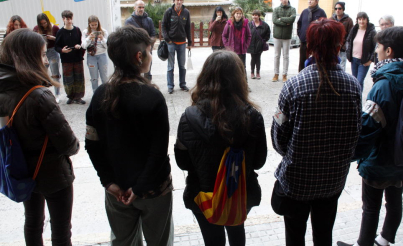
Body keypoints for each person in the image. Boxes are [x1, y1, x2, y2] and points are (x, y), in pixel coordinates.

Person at [271, 19, 362, 246]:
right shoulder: (353, 87)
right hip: (333, 180)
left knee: (294, 236)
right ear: (338, 46)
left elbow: (278, 136)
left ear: (309, 46)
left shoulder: (294, 85)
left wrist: (293, 153)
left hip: (297, 180)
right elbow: (355, 134)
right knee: (324, 235)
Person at [85, 26, 173, 246]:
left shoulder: (100, 96)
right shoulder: (153, 97)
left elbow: (92, 144)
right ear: (139, 56)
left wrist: (108, 182)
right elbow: (158, 151)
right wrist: (140, 187)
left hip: (117, 190)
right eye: (149, 51)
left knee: (123, 241)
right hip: (154, 191)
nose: (151, 56)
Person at [175, 50, 267, 246]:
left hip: (202, 195)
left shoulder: (188, 117)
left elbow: (182, 162)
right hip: (240, 193)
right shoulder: (253, 117)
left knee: (212, 240)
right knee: (236, 229)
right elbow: (259, 162)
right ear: (239, 79)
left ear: (205, 77)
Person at [0, 29, 79, 245]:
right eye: (43, 55)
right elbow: (69, 145)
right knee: (61, 230)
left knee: (33, 222)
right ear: (29, 57)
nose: (46, 61)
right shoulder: (39, 95)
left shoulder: (4, 90)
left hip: (22, 172)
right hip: (53, 174)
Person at [337, 27, 403, 246]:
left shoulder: (383, 84)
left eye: (378, 47)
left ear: (388, 51)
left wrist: (351, 155)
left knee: (371, 206)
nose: (376, 51)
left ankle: (364, 243)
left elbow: (369, 128)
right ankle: (385, 240)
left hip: (378, 159)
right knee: (395, 200)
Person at [162, 0, 192, 94]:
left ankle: (182, 84)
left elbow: (188, 27)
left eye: (180, 0)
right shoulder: (169, 12)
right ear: (174, 1)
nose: (179, 2)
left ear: (182, 1)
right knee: (170, 66)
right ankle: (170, 86)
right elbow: (163, 26)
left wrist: (190, 42)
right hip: (171, 43)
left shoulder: (186, 12)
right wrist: (167, 39)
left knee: (182, 65)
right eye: (177, 0)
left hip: (182, 43)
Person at [55, 10, 86, 104]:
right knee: (68, 79)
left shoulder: (77, 29)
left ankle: (78, 97)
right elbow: (56, 46)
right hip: (66, 60)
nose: (69, 21)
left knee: (79, 78)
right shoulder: (60, 32)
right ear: (63, 19)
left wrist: (79, 46)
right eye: (67, 19)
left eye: (70, 18)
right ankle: (71, 96)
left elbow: (82, 42)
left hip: (77, 58)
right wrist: (62, 50)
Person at [125, 0, 156, 81]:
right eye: (139, 7)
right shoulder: (129, 21)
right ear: (134, 7)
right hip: (135, 50)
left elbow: (153, 33)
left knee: (147, 70)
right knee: (135, 70)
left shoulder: (149, 20)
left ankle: (148, 87)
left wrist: (149, 44)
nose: (141, 9)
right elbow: (127, 37)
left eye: (143, 7)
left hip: (146, 49)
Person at [33, 13, 62, 103]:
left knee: (55, 74)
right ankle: (43, 94)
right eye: (41, 23)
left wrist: (53, 38)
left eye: (45, 23)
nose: (43, 25)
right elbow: (33, 40)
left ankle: (57, 94)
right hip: (42, 52)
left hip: (53, 51)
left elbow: (61, 40)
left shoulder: (55, 28)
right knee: (42, 73)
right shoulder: (36, 29)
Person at [346, 12, 377, 93]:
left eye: (364, 19)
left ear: (367, 20)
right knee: (353, 81)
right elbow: (348, 41)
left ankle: (358, 100)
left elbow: (376, 47)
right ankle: (353, 97)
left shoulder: (372, 31)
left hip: (364, 61)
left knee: (359, 81)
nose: (361, 21)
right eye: (360, 19)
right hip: (354, 59)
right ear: (357, 20)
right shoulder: (354, 29)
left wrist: (371, 60)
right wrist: (348, 53)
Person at [297, 0, 327, 72]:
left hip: (315, 42)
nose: (309, 1)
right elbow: (299, 23)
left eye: (312, 0)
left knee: (315, 60)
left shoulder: (321, 12)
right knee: (302, 60)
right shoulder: (305, 11)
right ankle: (301, 74)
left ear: (316, 1)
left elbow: (325, 26)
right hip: (304, 40)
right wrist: (300, 34)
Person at [222, 7, 252, 82]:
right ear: (234, 14)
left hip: (242, 49)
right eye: (237, 13)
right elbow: (224, 35)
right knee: (232, 67)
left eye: (240, 14)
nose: (238, 15)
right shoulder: (229, 23)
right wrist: (227, 46)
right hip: (232, 49)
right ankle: (232, 85)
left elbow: (249, 35)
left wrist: (246, 45)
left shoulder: (245, 23)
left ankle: (244, 84)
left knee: (242, 67)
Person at [81, 15, 109, 93]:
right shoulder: (85, 32)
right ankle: (95, 94)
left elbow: (107, 46)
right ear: (89, 24)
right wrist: (89, 38)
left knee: (104, 77)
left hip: (102, 55)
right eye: (92, 25)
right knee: (94, 78)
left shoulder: (104, 31)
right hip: (91, 56)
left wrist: (102, 38)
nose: (94, 27)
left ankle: (106, 94)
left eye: (95, 24)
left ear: (98, 23)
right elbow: (83, 46)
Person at [272, 0, 296, 82]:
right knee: (276, 55)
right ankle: (276, 74)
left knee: (286, 56)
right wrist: (286, 21)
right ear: (280, 0)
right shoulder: (276, 9)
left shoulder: (292, 9)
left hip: (287, 36)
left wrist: (280, 19)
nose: (283, 0)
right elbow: (274, 20)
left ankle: (284, 74)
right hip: (277, 36)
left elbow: (292, 19)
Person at [330, 2, 354, 71]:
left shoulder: (348, 20)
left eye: (339, 8)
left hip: (343, 47)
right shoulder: (331, 19)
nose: (337, 10)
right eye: (336, 8)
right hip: (332, 47)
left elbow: (350, 35)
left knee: (342, 65)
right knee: (331, 64)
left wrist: (344, 46)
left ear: (343, 9)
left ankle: (341, 79)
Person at [247, 10, 270, 79]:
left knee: (258, 58)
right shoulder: (249, 24)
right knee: (253, 58)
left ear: (259, 16)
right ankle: (252, 72)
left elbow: (268, 34)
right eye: (253, 15)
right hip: (251, 44)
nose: (254, 17)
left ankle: (258, 72)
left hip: (260, 45)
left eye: (256, 15)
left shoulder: (264, 25)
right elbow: (246, 34)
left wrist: (263, 41)